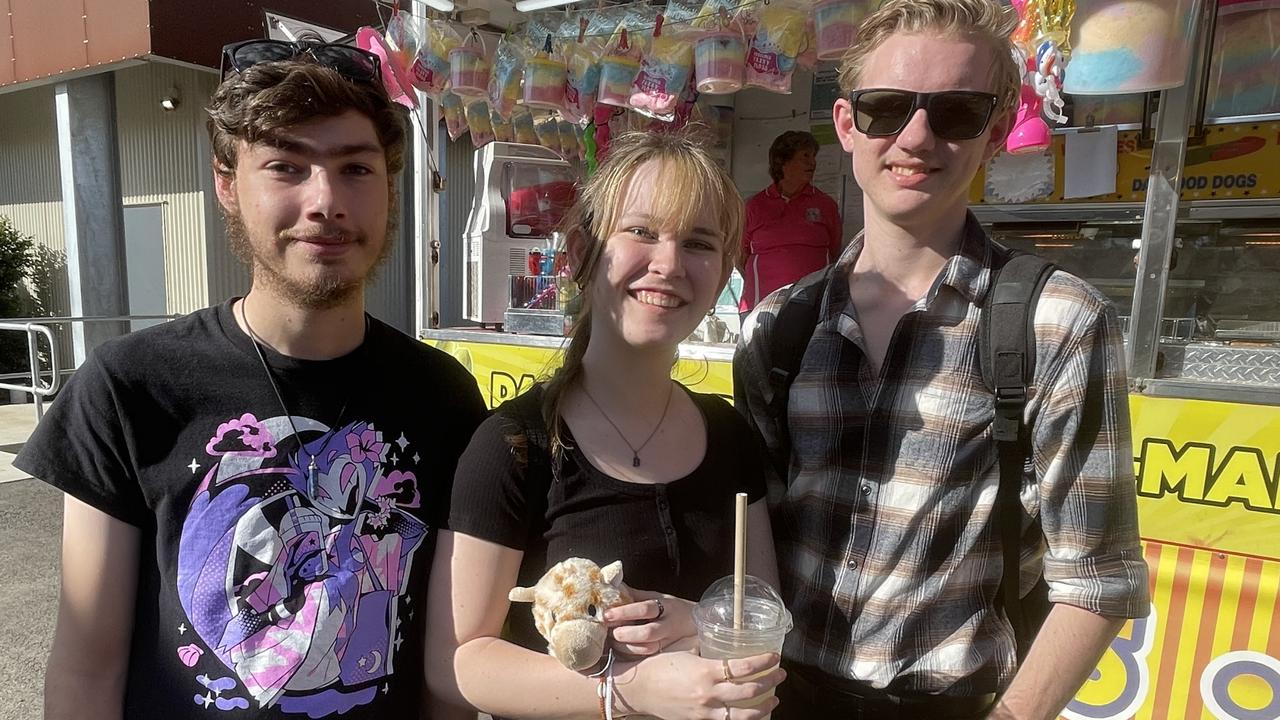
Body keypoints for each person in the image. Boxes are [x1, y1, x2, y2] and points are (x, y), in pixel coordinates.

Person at [16, 38, 487, 719]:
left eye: (356, 168)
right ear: (227, 185)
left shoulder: (444, 396)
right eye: (287, 167)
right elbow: (87, 670)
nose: (326, 200)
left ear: (390, 186)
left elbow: (449, 679)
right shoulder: (130, 385)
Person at [734, 1, 1151, 718]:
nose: (917, 136)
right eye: (888, 107)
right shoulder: (778, 327)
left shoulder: (1059, 323)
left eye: (955, 112)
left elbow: (1099, 579)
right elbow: (752, 546)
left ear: (994, 133)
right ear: (846, 125)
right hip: (783, 699)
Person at [426, 129, 786, 720]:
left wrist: (701, 622)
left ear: (722, 277)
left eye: (699, 242)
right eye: (641, 232)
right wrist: (625, 690)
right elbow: (455, 664)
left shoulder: (732, 436)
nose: (669, 264)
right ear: (580, 254)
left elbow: (766, 622)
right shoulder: (515, 446)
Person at [738, 131, 843, 315]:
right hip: (759, 306)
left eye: (813, 156)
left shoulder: (826, 205)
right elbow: (740, 254)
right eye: (805, 156)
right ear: (783, 162)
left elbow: (834, 251)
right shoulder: (754, 206)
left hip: (812, 308)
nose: (813, 162)